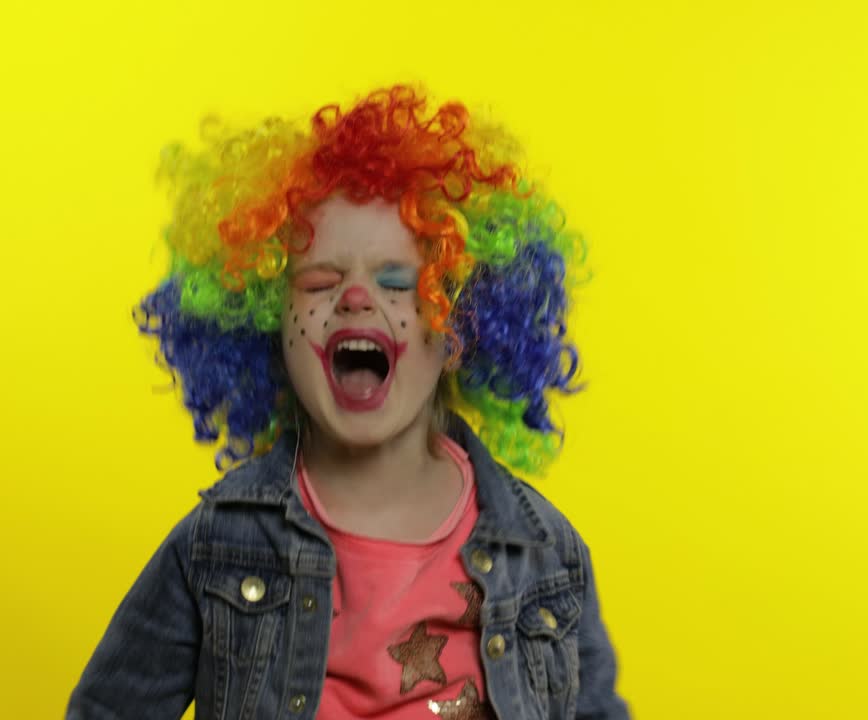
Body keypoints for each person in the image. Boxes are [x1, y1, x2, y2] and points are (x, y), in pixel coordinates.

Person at [68, 85, 632, 720]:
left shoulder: (545, 552)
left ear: (462, 325)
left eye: (398, 282)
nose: (357, 298)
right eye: (320, 282)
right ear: (263, 322)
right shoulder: (221, 541)